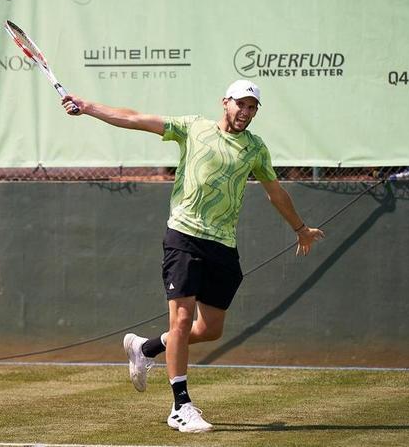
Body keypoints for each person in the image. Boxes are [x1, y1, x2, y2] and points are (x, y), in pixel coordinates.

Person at [61, 80, 325, 433]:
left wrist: (300, 228)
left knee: (210, 329)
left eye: (252, 108)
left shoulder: (255, 149)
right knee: (182, 322)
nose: (246, 113)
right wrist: (89, 107)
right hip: (184, 236)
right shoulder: (193, 128)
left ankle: (145, 348)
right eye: (241, 105)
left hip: (223, 245)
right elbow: (136, 118)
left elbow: (275, 193)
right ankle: (180, 407)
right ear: (225, 102)